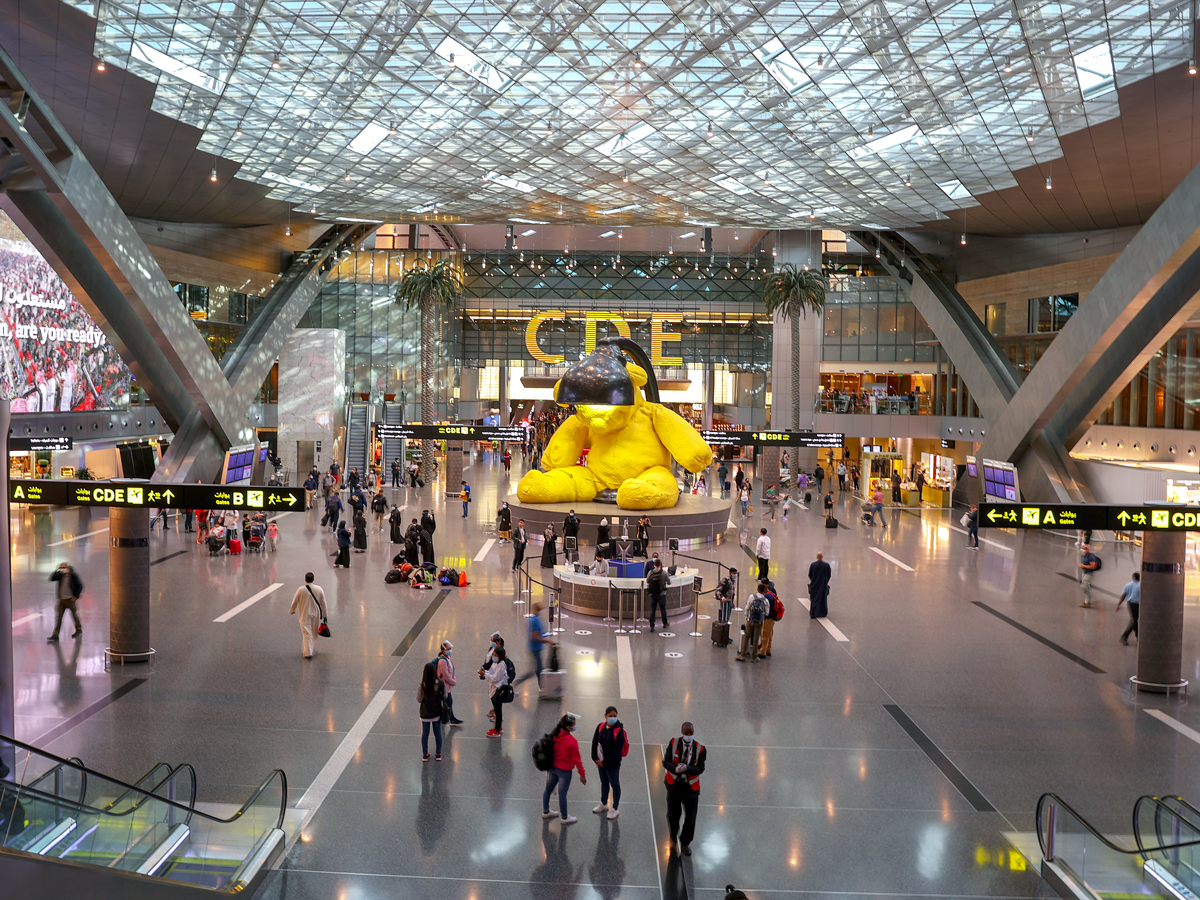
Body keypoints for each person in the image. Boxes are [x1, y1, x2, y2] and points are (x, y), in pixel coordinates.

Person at [662, 722, 706, 856]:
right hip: (674, 785)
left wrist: (687, 769)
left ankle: (685, 842)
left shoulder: (701, 749)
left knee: (691, 817)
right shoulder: (674, 743)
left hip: (690, 788)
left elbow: (700, 768)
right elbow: (666, 762)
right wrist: (674, 769)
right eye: (686, 733)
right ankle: (673, 839)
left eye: (691, 733)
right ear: (682, 732)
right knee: (673, 815)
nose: (689, 736)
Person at [542, 714, 587, 823]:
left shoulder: (554, 735)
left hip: (553, 768)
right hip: (565, 772)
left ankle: (546, 812)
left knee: (548, 789)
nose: (575, 726)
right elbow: (577, 760)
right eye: (574, 725)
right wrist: (582, 774)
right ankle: (565, 817)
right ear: (568, 727)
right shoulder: (572, 741)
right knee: (562, 794)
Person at [591, 706, 630, 819]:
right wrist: (595, 758)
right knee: (604, 782)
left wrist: (606, 762)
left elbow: (617, 750)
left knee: (615, 784)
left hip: (612, 764)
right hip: (601, 762)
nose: (612, 718)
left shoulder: (619, 731)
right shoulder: (601, 727)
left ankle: (615, 808)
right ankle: (603, 803)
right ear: (605, 716)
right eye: (610, 716)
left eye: (615, 716)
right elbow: (594, 742)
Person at [288, 573, 327, 659]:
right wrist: (325, 615)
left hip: (304, 614)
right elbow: (323, 603)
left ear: (305, 580)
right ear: (313, 579)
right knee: (313, 632)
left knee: (306, 633)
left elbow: (295, 601)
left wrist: (292, 610)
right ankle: (310, 649)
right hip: (315, 614)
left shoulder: (301, 590)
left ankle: (307, 652)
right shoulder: (319, 589)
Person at [515, 601, 553, 688]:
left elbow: (538, 634)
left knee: (538, 669)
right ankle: (542, 687)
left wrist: (546, 635)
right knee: (538, 670)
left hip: (534, 648)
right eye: (540, 609)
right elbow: (535, 637)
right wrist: (548, 641)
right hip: (535, 649)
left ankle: (542, 687)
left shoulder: (533, 619)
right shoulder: (535, 620)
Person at [47, 562, 83, 641]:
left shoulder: (73, 576)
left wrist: (76, 596)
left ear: (68, 568)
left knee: (74, 615)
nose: (63, 570)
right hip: (62, 600)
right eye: (62, 568)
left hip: (70, 600)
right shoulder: (60, 576)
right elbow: (52, 578)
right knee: (59, 617)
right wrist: (57, 570)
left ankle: (78, 629)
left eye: (64, 568)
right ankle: (55, 634)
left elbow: (80, 585)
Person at [418, 659, 445, 761]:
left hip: (425, 712)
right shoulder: (440, 683)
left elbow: (418, 699)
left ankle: (425, 754)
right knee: (437, 732)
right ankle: (438, 754)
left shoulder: (423, 685)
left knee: (425, 733)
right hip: (436, 712)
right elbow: (445, 696)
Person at [484, 645, 514, 737]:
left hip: (498, 690)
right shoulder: (497, 664)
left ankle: (497, 731)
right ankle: (498, 728)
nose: (493, 656)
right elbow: (493, 674)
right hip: (494, 689)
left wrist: (485, 674)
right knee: (497, 710)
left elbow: (495, 679)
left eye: (495, 654)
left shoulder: (501, 665)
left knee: (498, 711)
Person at [739, 582, 769, 662]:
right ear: (765, 591)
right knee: (756, 639)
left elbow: (747, 607)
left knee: (747, 636)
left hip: (750, 620)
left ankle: (743, 655)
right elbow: (766, 612)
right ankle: (754, 657)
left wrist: (746, 616)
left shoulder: (751, 597)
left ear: (757, 589)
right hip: (759, 621)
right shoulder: (765, 600)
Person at [436, 641, 464, 726]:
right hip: (444, 685)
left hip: (448, 685)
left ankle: (450, 718)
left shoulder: (449, 658)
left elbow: (452, 669)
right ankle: (449, 718)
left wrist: (453, 679)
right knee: (448, 702)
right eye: (448, 649)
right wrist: (453, 682)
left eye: (450, 649)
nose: (450, 651)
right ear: (443, 650)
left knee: (447, 702)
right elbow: (445, 675)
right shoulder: (442, 661)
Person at [1118, 572, 1141, 644]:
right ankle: (1124, 636)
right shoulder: (1141, 586)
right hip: (1137, 605)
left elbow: (1123, 595)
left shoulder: (1127, 585)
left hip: (1130, 604)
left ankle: (1138, 637)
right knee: (1134, 620)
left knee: (1134, 620)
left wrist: (1119, 604)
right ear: (1139, 578)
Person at [647, 559, 669, 632]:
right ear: (660, 565)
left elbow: (647, 580)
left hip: (653, 594)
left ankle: (652, 626)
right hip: (662, 594)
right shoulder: (664, 573)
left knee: (653, 609)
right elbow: (669, 582)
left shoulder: (651, 572)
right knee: (663, 609)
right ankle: (665, 623)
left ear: (654, 565)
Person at [808, 552, 831, 618]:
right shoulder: (826, 565)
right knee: (823, 599)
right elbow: (829, 575)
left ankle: (814, 613)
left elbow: (810, 574)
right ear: (822, 557)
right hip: (823, 585)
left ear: (817, 557)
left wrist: (813, 580)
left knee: (814, 599)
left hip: (814, 585)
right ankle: (822, 612)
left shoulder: (813, 565)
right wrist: (825, 581)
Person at [1079, 543, 1100, 608]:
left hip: (1089, 573)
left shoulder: (1090, 556)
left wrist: (1083, 566)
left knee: (1084, 586)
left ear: (1087, 549)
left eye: (1083, 548)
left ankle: (1087, 602)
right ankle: (1087, 600)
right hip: (1085, 573)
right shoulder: (1084, 555)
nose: (1082, 549)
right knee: (1085, 586)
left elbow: (1093, 566)